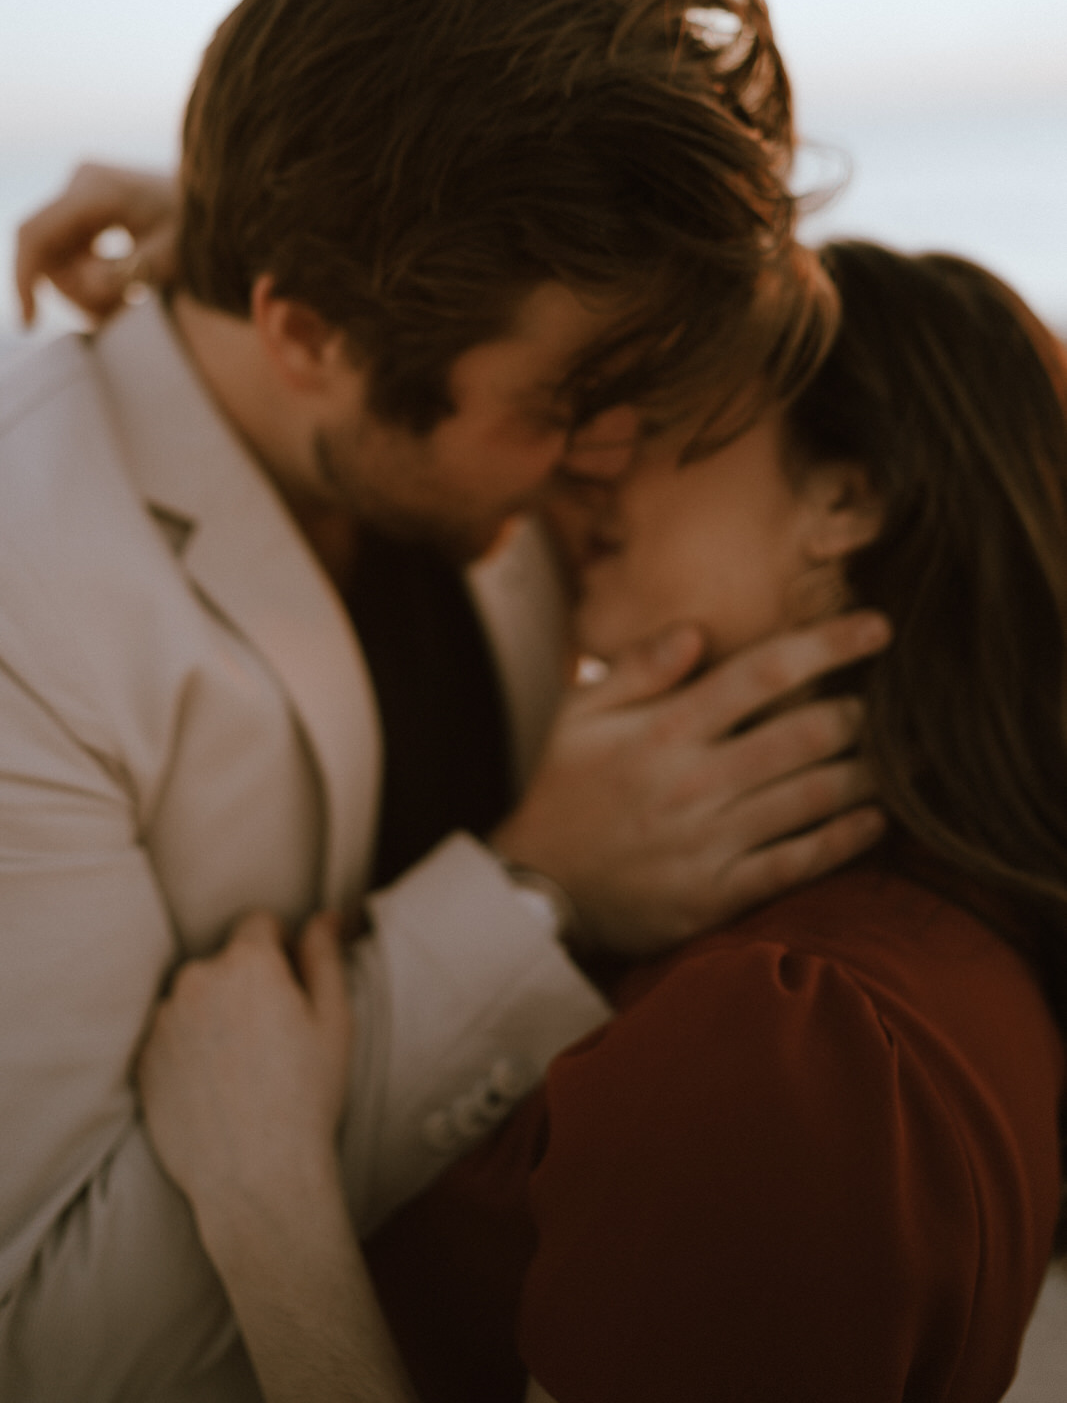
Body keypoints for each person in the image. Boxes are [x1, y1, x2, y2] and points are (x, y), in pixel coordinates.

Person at [1, 0, 888, 1402]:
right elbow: (62, 1336)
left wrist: (223, 209)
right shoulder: (32, 606)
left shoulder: (448, 349)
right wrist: (534, 895)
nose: (618, 459)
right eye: (561, 408)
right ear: (306, 338)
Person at [133, 242, 1067, 1403]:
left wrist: (265, 1206)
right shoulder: (909, 931)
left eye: (659, 404)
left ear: (843, 499)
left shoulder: (792, 1030)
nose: (588, 454)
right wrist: (280, 263)